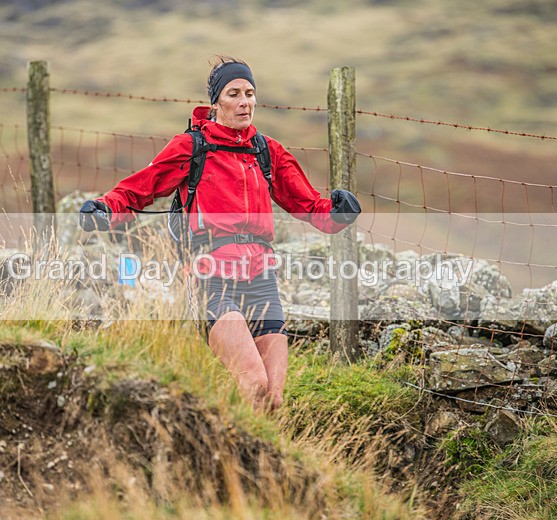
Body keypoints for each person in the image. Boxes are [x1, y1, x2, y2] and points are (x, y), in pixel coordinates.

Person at [80, 57, 360, 411]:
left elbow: (309, 206)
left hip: (262, 280)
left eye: (250, 93)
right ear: (216, 103)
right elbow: (141, 188)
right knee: (254, 382)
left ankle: (255, 463)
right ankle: (224, 456)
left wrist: (338, 215)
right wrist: (106, 209)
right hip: (211, 279)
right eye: (234, 93)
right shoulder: (191, 146)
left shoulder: (267, 151)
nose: (245, 101)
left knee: (273, 397)